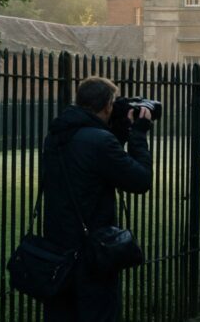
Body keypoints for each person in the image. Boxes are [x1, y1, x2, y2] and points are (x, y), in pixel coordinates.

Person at [42, 76, 152, 321]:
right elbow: (141, 180)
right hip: (92, 255)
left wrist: (118, 131)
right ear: (107, 106)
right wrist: (138, 135)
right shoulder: (99, 142)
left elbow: (93, 166)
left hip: (58, 253)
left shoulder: (57, 136)